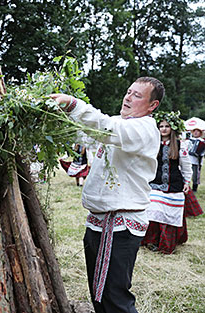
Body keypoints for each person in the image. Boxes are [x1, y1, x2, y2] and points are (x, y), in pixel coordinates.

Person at [50, 76, 163, 313]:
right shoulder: (119, 123)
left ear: (153, 105)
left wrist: (73, 103)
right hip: (101, 221)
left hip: (119, 224)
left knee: (114, 297)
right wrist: (57, 119)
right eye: (129, 91)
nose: (128, 97)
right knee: (99, 292)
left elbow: (105, 128)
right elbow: (86, 134)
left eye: (137, 95)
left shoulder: (143, 129)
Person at [140, 112, 192, 254]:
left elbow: (186, 165)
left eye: (167, 126)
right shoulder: (152, 144)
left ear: (172, 128)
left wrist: (187, 181)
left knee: (168, 213)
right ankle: (151, 240)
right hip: (155, 184)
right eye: (161, 126)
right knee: (152, 210)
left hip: (173, 185)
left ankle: (166, 242)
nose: (163, 129)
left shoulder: (180, 145)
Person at [188, 127, 205, 192]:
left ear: (200, 133)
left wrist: (199, 153)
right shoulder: (190, 140)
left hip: (196, 161)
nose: (195, 132)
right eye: (194, 131)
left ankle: (194, 188)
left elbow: (202, 152)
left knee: (195, 175)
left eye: (197, 131)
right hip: (189, 160)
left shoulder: (202, 141)